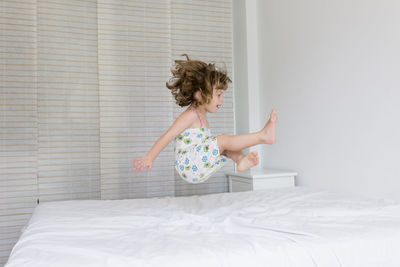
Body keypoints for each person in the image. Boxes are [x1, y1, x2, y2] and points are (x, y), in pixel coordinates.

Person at [133, 54, 277, 183]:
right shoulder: (190, 115)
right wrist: (150, 157)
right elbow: (169, 135)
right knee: (223, 140)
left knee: (223, 146)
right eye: (218, 95)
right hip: (188, 164)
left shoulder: (202, 115)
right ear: (200, 95)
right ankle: (262, 136)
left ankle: (240, 160)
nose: (221, 100)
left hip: (197, 165)